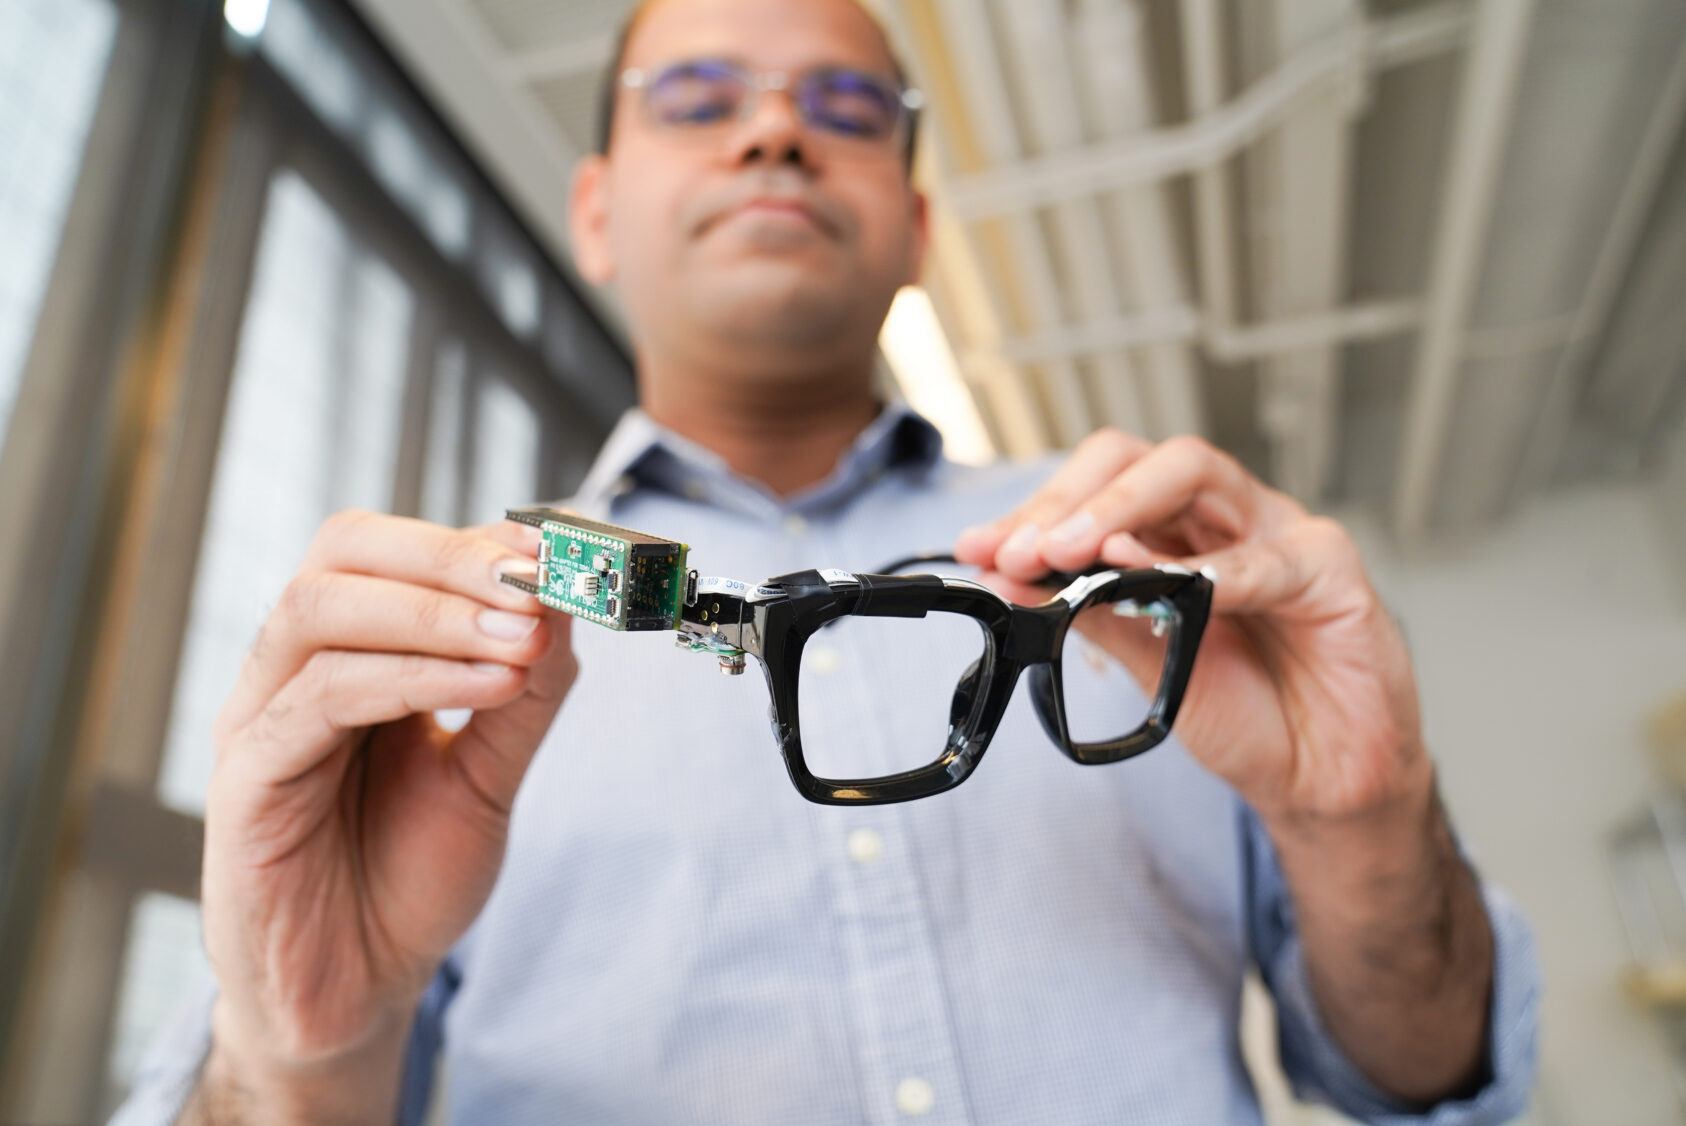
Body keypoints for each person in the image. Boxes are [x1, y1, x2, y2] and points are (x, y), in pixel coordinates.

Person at [116, 0, 1538, 1121]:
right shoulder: (433, 655)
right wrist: (301, 1063)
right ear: (595, 213)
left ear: (917, 230)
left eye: (848, 108)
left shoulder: (1155, 574)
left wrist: (1370, 820)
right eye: (697, 99)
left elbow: (1418, 1078)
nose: (776, 133)